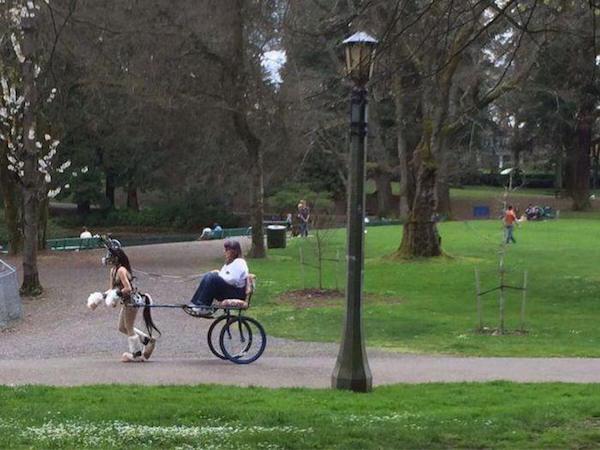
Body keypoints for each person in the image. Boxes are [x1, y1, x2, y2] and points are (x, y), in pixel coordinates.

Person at [105, 243, 160, 362]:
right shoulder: (113, 271)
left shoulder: (121, 270)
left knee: (129, 328)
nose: (108, 259)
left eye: (110, 256)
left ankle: (137, 354)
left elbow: (128, 288)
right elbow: (112, 289)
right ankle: (147, 340)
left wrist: (117, 295)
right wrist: (107, 297)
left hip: (132, 301)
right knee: (121, 327)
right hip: (126, 302)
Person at [188, 239, 249, 317]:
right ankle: (195, 303)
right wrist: (217, 273)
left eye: (227, 250)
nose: (225, 252)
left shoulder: (240, 263)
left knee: (212, 277)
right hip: (231, 290)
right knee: (208, 275)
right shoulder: (229, 263)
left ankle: (204, 306)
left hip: (237, 293)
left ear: (235, 252)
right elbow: (225, 275)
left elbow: (232, 280)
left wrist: (218, 275)